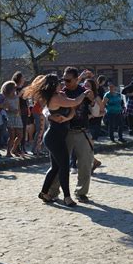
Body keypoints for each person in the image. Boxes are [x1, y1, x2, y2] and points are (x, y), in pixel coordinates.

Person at [25, 74, 93, 207]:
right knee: (63, 167)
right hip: (54, 137)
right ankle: (67, 197)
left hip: (57, 135)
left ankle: (44, 192)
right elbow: (74, 102)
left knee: (56, 167)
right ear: (53, 85)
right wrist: (84, 94)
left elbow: (71, 111)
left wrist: (65, 119)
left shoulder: (59, 96)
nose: (61, 84)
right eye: (58, 82)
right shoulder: (55, 98)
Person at [48, 67, 98, 203]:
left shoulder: (85, 92)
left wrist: (93, 101)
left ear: (76, 79)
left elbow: (96, 112)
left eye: (68, 80)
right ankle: (52, 191)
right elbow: (47, 108)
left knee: (85, 164)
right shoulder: (60, 92)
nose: (65, 82)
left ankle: (81, 192)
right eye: (63, 79)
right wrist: (49, 116)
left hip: (82, 131)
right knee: (59, 164)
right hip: (64, 133)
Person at [2, 81, 24, 157]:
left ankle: (13, 150)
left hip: (17, 117)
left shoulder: (16, 97)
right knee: (12, 136)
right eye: (14, 88)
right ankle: (8, 152)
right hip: (10, 117)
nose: (15, 89)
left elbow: (18, 107)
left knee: (20, 135)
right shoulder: (5, 98)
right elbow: (4, 109)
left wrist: (19, 114)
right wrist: (11, 110)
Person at [12, 72, 29, 153]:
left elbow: (25, 100)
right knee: (19, 130)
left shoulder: (23, 88)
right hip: (18, 111)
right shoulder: (14, 88)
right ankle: (16, 148)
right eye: (22, 77)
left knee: (24, 128)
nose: (24, 79)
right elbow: (14, 99)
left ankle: (23, 146)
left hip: (24, 110)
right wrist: (20, 94)